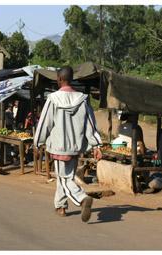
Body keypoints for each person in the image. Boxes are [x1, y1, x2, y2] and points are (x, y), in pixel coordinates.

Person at [34, 66, 102, 222]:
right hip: (75, 147)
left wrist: (37, 143)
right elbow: (90, 125)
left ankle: (82, 198)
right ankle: (61, 206)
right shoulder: (83, 99)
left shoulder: (52, 99)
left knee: (65, 179)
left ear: (59, 79)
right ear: (71, 79)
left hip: (59, 147)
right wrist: (97, 145)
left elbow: (45, 123)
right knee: (65, 176)